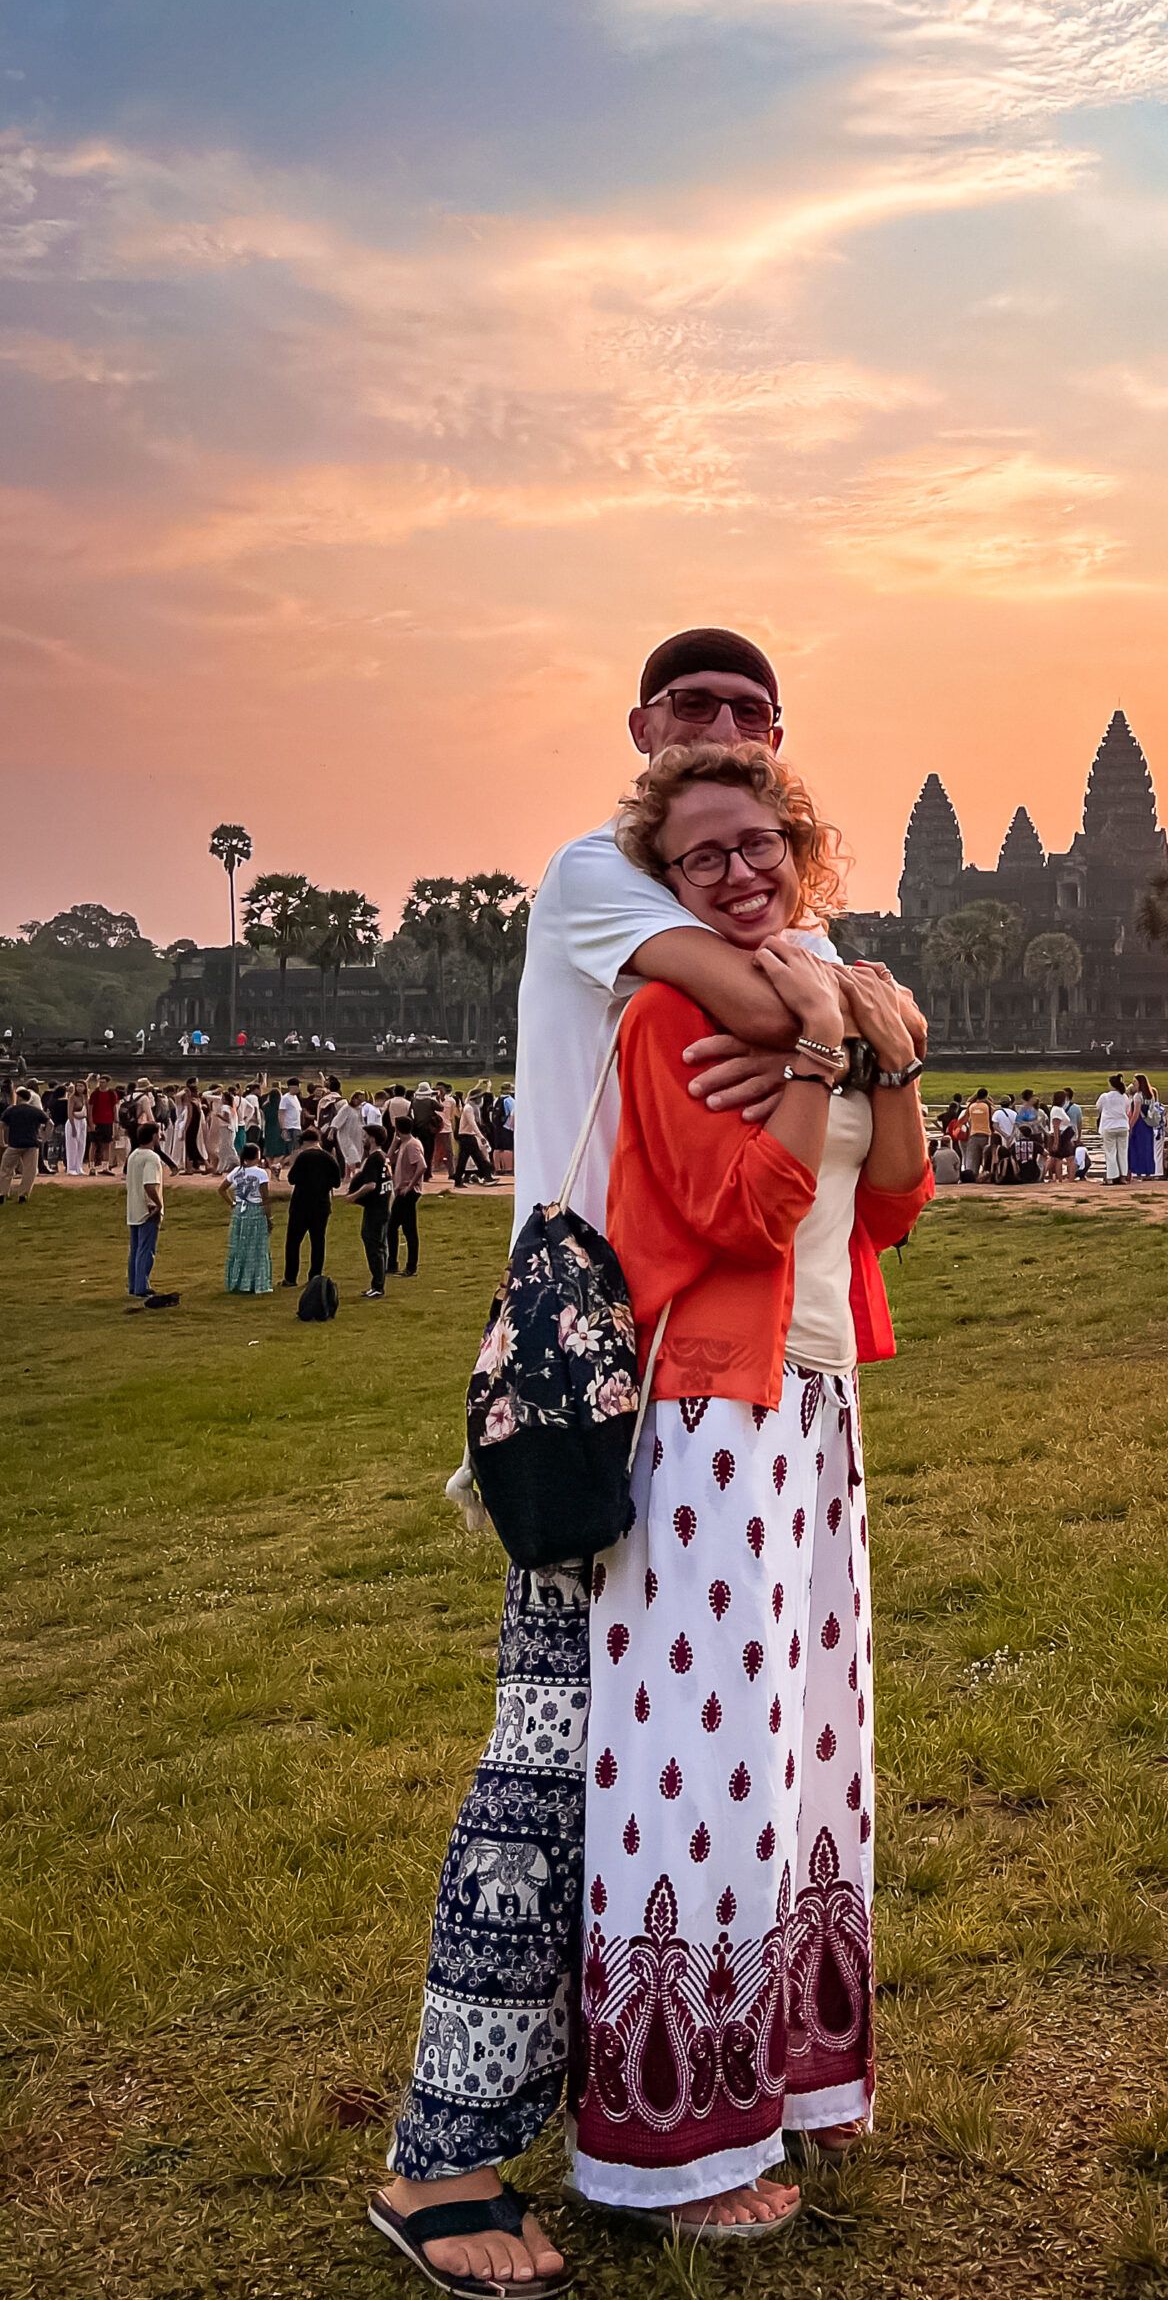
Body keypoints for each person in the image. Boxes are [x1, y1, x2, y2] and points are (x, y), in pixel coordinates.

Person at [381, 631, 914, 2294]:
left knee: (775, 1755)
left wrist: (857, 1024)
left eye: (754, 724)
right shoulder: (598, 892)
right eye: (695, 719)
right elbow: (787, 1025)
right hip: (611, 1368)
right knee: (567, 1766)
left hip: (780, 1396)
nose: (729, 745)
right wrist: (839, 1019)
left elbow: (869, 1117)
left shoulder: (770, 936)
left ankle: (766, 2070)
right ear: (641, 748)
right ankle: (453, 2159)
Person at [573, 742, 929, 2235]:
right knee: (698, 1765)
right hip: (709, 1408)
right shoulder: (670, 1011)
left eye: (762, 841)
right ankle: (678, 2151)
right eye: (704, 855)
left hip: (821, 1397)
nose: (740, 871)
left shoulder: (828, 989)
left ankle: (795, 2077)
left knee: (807, 1750)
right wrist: (818, 1060)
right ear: (665, 883)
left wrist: (875, 1055)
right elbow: (743, 1210)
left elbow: (894, 1201)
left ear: (803, 847)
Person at [125, 1120, 176, 1307]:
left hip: (133, 1207)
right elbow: (149, 1184)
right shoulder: (151, 1158)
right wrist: (158, 1203)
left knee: (136, 1248)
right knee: (147, 1249)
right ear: (154, 1136)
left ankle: (133, 1284)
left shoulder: (133, 1155)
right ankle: (142, 1286)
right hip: (148, 1210)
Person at [283, 1127, 342, 1286]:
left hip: (301, 1205)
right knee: (318, 1242)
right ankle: (315, 1275)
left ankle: (290, 1277)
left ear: (304, 1142)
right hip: (321, 1205)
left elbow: (292, 1179)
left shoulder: (303, 1157)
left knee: (293, 1242)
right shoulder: (329, 1158)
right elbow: (337, 1183)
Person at [346, 1127, 393, 1299]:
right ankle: (379, 1283)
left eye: (366, 1136)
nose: (363, 1139)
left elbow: (371, 1185)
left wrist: (353, 1196)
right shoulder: (384, 1157)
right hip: (383, 1207)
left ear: (372, 1139)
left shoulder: (374, 1159)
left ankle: (378, 1286)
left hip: (375, 1209)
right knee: (381, 1246)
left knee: (373, 1246)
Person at [222, 1149, 275, 1294]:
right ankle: (256, 1281)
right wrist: (269, 1217)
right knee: (257, 1246)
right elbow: (265, 1198)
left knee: (240, 1246)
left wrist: (232, 1203)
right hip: (255, 1211)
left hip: (240, 1210)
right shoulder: (261, 1173)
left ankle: (237, 1281)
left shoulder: (237, 1171)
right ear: (257, 1156)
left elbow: (221, 1189)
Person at [388, 1119, 427, 1273]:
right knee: (393, 1228)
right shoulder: (405, 1144)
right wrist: (394, 1142)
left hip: (408, 1192)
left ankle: (409, 1266)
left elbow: (422, 1166)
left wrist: (410, 1186)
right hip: (402, 1190)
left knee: (407, 1230)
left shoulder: (412, 1145)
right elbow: (389, 1159)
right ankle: (393, 1263)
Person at [0, 1083, 43, 1202]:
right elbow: (50, 1123)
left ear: (18, 1097)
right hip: (31, 1144)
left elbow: (1, 1126)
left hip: (14, 1144)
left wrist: (2, 1141)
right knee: (30, 1171)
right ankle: (23, 1195)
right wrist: (43, 1138)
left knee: (6, 1168)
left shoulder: (11, 1110)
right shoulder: (34, 1110)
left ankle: (2, 1193)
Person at [1096, 1075, 1132, 1184]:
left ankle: (1111, 1177)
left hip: (1109, 1126)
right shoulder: (1124, 1097)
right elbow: (1127, 1109)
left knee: (1110, 1152)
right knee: (1122, 1152)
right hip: (1122, 1126)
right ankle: (1122, 1177)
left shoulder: (1105, 1096)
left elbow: (1098, 1107)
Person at [1127, 1076, 1158, 1179]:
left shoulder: (1137, 1096)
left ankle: (1138, 1171)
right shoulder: (1151, 1096)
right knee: (1147, 1147)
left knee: (1137, 1147)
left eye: (1135, 1081)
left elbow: (1136, 1113)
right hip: (1148, 1124)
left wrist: (1130, 1126)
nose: (1134, 1084)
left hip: (1139, 1123)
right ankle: (1148, 1171)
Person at [963, 1088, 992, 1183]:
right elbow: (994, 1115)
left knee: (972, 1160)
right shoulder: (987, 1106)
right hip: (986, 1134)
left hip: (973, 1134)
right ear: (986, 1096)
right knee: (987, 1159)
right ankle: (986, 1177)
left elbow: (967, 1119)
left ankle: (972, 1177)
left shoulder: (971, 1106)